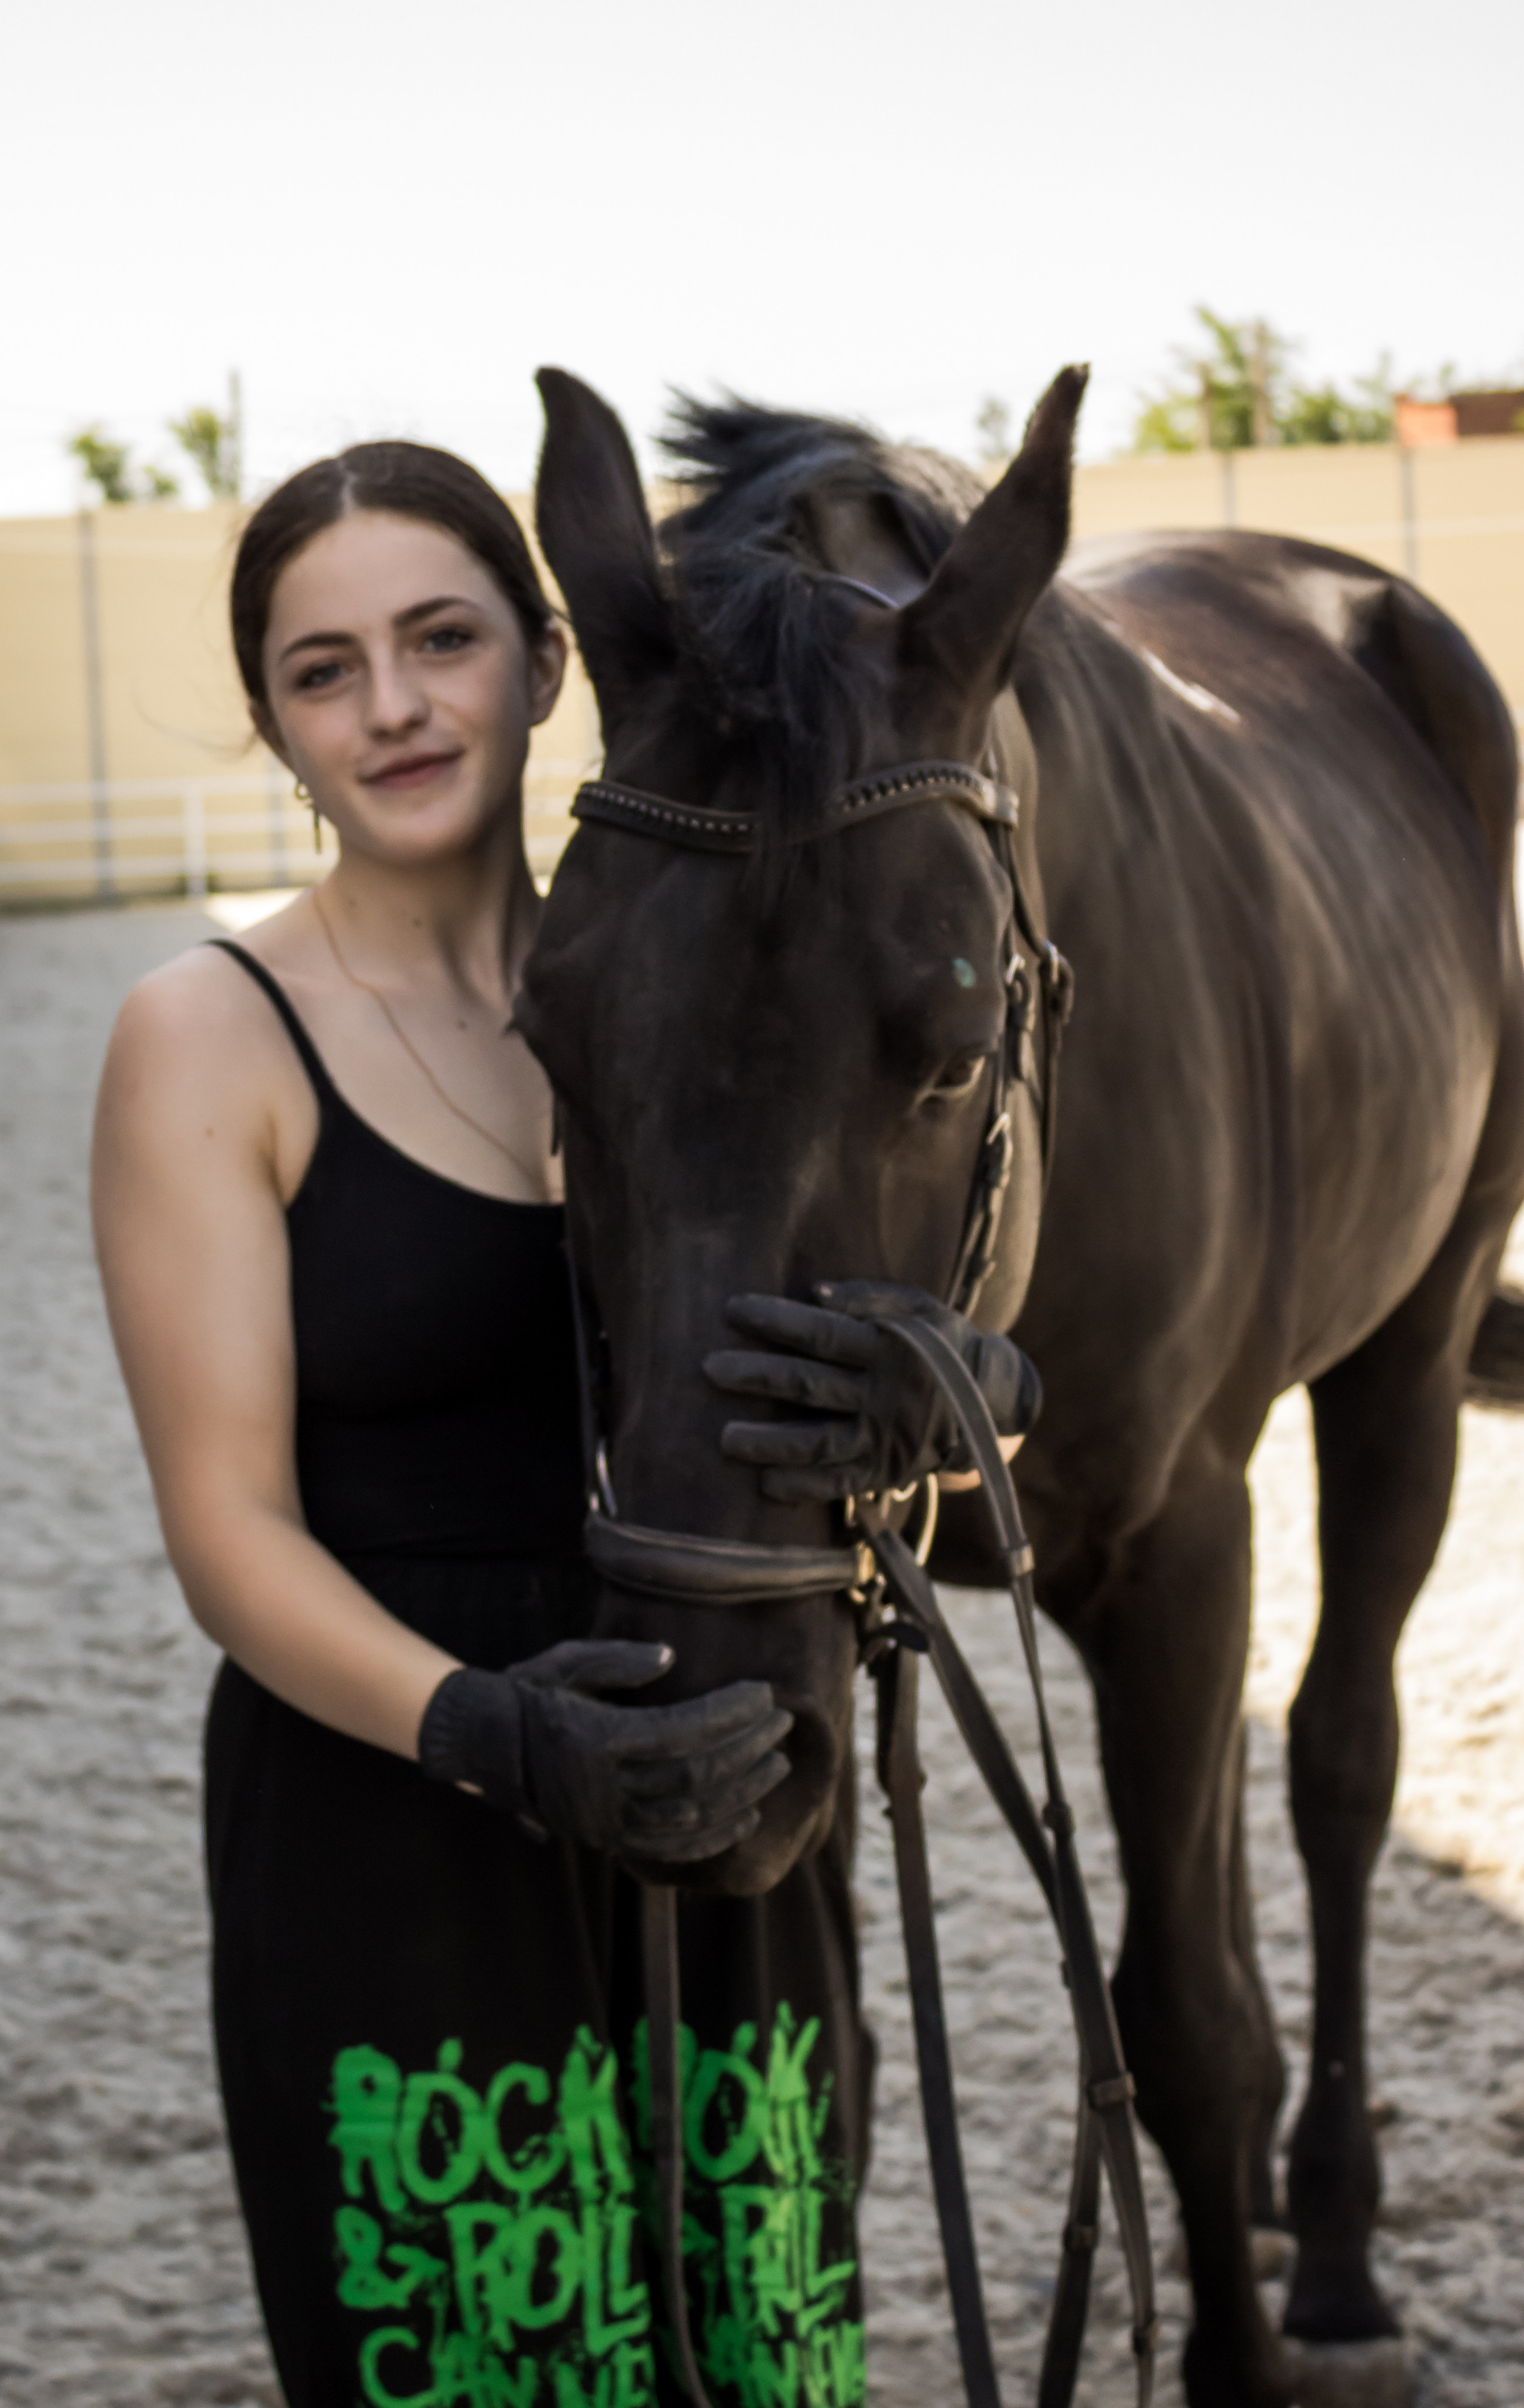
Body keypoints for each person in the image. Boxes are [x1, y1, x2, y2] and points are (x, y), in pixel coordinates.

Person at [92, 440, 1038, 2408]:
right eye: (324, 669)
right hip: (405, 1810)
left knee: (767, 2362)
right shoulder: (210, 1035)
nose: (396, 707)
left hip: (722, 1750)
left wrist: (965, 1398)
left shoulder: (694, 981)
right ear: (275, 724)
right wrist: (493, 1729)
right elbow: (227, 1530)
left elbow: (843, 1369)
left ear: (549, 659)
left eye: (442, 640)